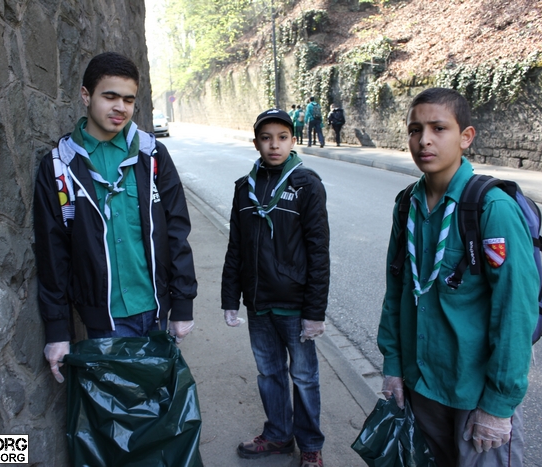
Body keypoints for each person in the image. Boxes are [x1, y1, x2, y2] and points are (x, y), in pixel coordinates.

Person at [377, 87, 539, 466]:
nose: (424, 140)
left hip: (475, 394)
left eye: (439, 128)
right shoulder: (407, 204)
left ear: (466, 137)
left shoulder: (492, 208)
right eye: (415, 130)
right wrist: (393, 367)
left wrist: (498, 405)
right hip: (423, 385)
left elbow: (515, 310)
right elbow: (397, 290)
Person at [34, 51, 198, 384]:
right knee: (118, 408)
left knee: (157, 401)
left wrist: (182, 305)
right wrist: (57, 330)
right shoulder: (59, 167)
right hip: (104, 321)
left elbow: (177, 232)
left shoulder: (152, 156)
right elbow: (53, 254)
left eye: (128, 99)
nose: (120, 107)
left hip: (156, 311)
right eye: (110, 96)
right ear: (86, 95)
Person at [221, 108, 330, 467]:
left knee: (304, 377)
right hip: (259, 304)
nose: (274, 145)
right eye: (266, 138)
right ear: (256, 143)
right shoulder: (244, 188)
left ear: (293, 140)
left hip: (295, 306)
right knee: (269, 373)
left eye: (282, 137)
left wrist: (314, 313)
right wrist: (230, 298)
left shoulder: (306, 185)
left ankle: (310, 445)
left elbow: (318, 252)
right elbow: (236, 247)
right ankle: (279, 435)